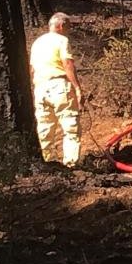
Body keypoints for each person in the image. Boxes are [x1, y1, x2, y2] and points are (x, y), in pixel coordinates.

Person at [30, 12, 82, 168]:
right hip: (59, 85)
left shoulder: (37, 43)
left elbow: (31, 68)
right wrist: (77, 88)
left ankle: (46, 162)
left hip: (40, 88)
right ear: (61, 25)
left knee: (44, 128)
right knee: (70, 125)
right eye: (68, 26)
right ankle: (71, 165)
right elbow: (67, 64)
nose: (69, 30)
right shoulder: (62, 40)